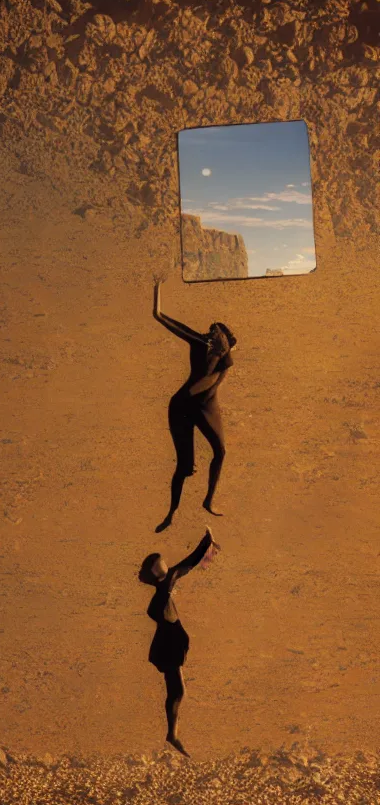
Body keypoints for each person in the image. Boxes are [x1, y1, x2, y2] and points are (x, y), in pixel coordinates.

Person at [153, 277, 236, 532]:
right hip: (181, 406)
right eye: (213, 333)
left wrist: (203, 389)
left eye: (218, 333)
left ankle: (208, 500)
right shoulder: (201, 343)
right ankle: (171, 513)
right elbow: (163, 319)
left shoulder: (224, 356)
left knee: (220, 451)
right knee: (184, 467)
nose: (213, 335)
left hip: (204, 404)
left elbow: (213, 385)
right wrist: (157, 295)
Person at [139, 525, 220, 758]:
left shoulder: (161, 592)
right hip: (169, 643)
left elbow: (184, 566)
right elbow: (187, 564)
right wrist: (206, 543)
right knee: (177, 691)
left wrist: (206, 544)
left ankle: (172, 734)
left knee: (176, 690)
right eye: (162, 563)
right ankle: (172, 735)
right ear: (159, 572)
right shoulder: (164, 588)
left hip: (168, 640)